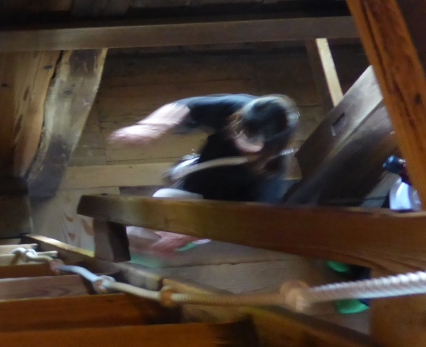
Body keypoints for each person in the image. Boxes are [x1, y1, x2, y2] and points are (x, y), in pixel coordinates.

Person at [108, 94, 299, 253]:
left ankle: (125, 243)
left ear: (271, 145)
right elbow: (188, 107)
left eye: (251, 139)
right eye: (238, 130)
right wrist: (150, 127)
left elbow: (247, 220)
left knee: (158, 220)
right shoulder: (241, 109)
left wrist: (190, 234)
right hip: (198, 175)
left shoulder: (270, 175)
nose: (238, 138)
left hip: (214, 210)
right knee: (159, 208)